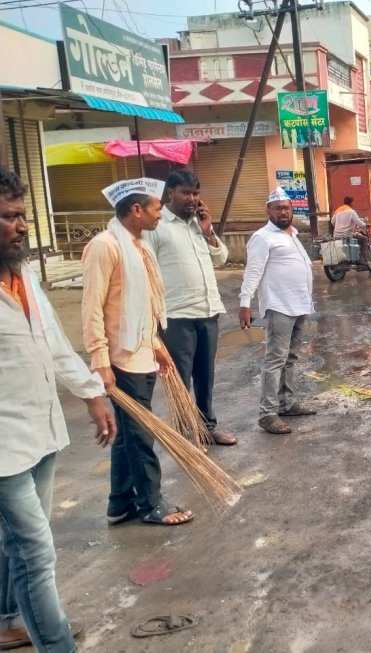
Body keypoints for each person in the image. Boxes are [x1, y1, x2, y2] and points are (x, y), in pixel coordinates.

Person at [0, 166, 116, 652]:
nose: (21, 225)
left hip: (43, 433)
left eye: (22, 215)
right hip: (3, 447)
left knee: (22, 543)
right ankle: (56, 644)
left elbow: (52, 344)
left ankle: (9, 619)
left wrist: (92, 394)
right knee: (35, 553)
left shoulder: (24, 274)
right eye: (8, 217)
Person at [82, 178, 194, 527]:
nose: (160, 215)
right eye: (156, 208)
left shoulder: (139, 247)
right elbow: (92, 310)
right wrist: (100, 362)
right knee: (141, 434)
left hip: (142, 352)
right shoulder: (106, 247)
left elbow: (143, 306)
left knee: (130, 433)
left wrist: (157, 345)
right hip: (121, 358)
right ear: (136, 210)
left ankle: (119, 503)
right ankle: (151, 503)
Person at [144, 170, 236, 446]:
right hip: (177, 316)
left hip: (208, 312)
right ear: (170, 192)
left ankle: (208, 426)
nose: (192, 199)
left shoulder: (198, 225)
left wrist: (208, 231)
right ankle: (187, 433)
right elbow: (145, 268)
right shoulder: (157, 227)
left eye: (195, 193)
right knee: (181, 379)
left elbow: (221, 259)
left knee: (205, 376)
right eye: (186, 193)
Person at [239, 188, 316, 435]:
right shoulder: (262, 237)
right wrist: (245, 303)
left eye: (287, 207)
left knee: (290, 358)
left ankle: (287, 403)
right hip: (279, 306)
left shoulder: (291, 233)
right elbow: (252, 272)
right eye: (278, 208)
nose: (283, 211)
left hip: (299, 304)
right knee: (275, 360)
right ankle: (268, 414)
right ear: (268, 211)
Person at [330, 196, 370, 260]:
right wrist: (365, 225)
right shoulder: (351, 211)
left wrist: (340, 226)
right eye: (353, 202)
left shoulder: (338, 210)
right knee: (364, 239)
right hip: (347, 235)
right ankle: (362, 260)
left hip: (336, 235)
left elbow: (332, 222)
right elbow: (358, 222)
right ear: (351, 203)